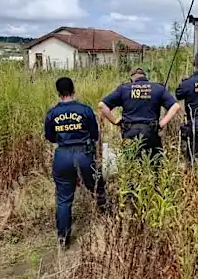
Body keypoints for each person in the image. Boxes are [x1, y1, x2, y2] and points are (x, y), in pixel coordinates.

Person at [44, 77, 107, 249]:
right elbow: (95, 135)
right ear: (74, 90)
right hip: (84, 154)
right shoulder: (85, 110)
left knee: (64, 199)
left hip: (62, 156)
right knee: (97, 186)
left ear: (58, 93)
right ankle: (107, 219)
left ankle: (63, 238)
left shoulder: (52, 113)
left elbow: (50, 137)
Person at [98, 67, 181, 166]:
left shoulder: (124, 89)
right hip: (151, 132)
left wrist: (115, 121)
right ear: (145, 77)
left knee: (131, 167)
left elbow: (102, 105)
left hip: (130, 132)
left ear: (131, 78)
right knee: (154, 167)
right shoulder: (158, 88)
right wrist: (162, 123)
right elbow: (176, 106)